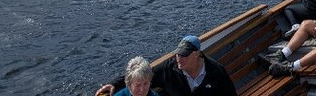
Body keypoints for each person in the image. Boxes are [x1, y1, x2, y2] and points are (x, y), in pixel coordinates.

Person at [95, 34, 234, 96]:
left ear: (197, 54)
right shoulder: (169, 68)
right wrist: (114, 84)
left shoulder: (216, 72)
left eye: (184, 55)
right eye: (177, 54)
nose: (179, 59)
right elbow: (142, 75)